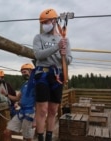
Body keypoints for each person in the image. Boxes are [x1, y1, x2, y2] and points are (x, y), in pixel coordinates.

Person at [32, 8, 72, 141]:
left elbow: (69, 60)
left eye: (46, 21)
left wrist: (63, 55)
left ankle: (49, 136)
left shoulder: (64, 39)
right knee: (42, 109)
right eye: (42, 22)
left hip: (57, 75)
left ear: (54, 21)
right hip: (42, 73)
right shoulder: (39, 37)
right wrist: (56, 47)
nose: (44, 25)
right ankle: (40, 137)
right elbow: (38, 55)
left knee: (53, 110)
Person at [3, 63, 36, 141]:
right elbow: (17, 98)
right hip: (21, 112)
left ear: (31, 71)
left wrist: (36, 120)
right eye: (22, 72)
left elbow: (39, 101)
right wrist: (6, 94)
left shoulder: (36, 84)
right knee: (6, 132)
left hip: (30, 113)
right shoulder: (24, 85)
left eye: (25, 72)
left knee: (27, 137)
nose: (23, 74)